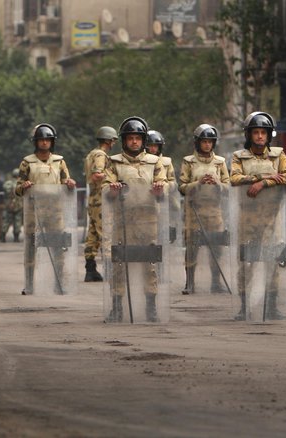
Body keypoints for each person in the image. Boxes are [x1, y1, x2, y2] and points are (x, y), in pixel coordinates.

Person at [230, 111, 286, 320]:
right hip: (247, 218)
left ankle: (272, 306)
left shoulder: (279, 155)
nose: (259, 136)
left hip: (272, 218)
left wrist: (263, 183)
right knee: (246, 263)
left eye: (263, 133)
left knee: (272, 262)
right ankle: (243, 307)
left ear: (269, 135)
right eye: (255, 132)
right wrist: (262, 176)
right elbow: (235, 178)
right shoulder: (239, 157)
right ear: (249, 135)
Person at [103, 116, 167, 322]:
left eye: (137, 138)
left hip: (148, 220)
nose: (134, 142)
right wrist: (112, 190)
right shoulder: (114, 163)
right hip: (123, 221)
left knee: (149, 264)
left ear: (143, 141)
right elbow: (105, 188)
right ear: (124, 140)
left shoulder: (155, 162)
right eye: (130, 138)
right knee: (120, 264)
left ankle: (151, 307)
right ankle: (117, 307)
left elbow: (165, 185)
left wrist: (160, 190)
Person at [16, 123, 76, 295]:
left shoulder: (59, 161)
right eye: (41, 140)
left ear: (52, 142)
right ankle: (29, 284)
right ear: (36, 142)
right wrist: (24, 186)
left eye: (47, 140)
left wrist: (70, 184)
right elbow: (18, 188)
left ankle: (59, 283)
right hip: (34, 212)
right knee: (30, 248)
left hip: (55, 211)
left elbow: (66, 181)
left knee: (58, 248)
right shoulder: (27, 162)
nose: (44, 143)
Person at [178, 124, 230, 294]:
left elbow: (229, 186)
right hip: (194, 212)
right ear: (198, 142)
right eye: (204, 141)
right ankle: (190, 282)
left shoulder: (220, 162)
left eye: (210, 142)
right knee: (192, 247)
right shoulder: (189, 162)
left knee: (217, 248)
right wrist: (198, 183)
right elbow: (182, 187)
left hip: (215, 211)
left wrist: (217, 184)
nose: (207, 145)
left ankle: (216, 282)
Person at [83, 126, 118, 282]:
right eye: (113, 141)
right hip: (101, 199)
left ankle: (90, 269)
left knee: (93, 234)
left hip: (93, 199)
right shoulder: (100, 155)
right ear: (109, 140)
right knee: (107, 234)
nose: (113, 144)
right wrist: (113, 176)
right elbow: (97, 175)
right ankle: (111, 269)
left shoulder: (91, 154)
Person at [1, 168, 23, 242]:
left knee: (6, 221)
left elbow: (4, 190)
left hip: (8, 205)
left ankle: (3, 237)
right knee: (17, 221)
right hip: (18, 205)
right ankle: (16, 238)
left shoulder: (7, 183)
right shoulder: (20, 183)